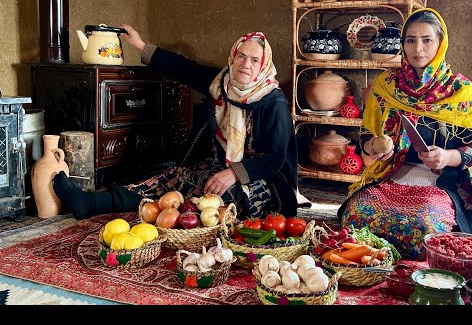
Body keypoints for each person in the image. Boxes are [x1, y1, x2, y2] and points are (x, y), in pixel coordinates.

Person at [53, 27, 302, 220]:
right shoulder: (221, 82)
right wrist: (140, 44)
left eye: (255, 60)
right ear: (233, 57)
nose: (246, 64)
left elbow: (275, 159)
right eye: (241, 56)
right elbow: (184, 68)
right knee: (173, 178)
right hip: (222, 166)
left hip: (267, 180)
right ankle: (90, 203)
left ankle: (185, 220)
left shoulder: (273, 103)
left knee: (219, 197)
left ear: (264, 65)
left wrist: (233, 174)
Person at [337, 8, 472, 260]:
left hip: (441, 181)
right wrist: (375, 145)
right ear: (403, 44)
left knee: (421, 228)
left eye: (427, 40)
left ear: (441, 43)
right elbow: (366, 135)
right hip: (393, 173)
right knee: (355, 215)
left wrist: (448, 156)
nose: (418, 48)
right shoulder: (386, 87)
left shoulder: (462, 93)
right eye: (410, 40)